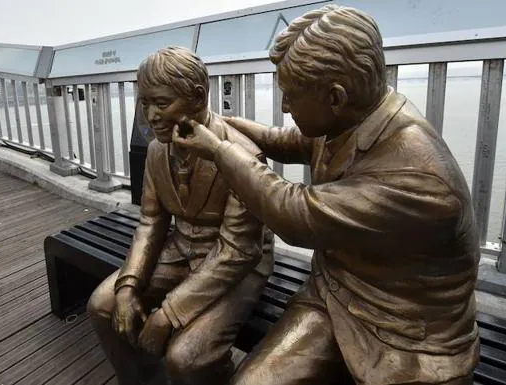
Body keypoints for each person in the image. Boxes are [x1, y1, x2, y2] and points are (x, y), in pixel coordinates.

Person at [172, 5, 479, 385]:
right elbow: (284, 141)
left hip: (409, 336)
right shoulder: (355, 116)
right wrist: (219, 126)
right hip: (334, 295)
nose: (284, 105)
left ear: (334, 97)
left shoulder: (419, 177)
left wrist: (218, 150)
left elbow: (295, 214)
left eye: (290, 96)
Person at [87, 46, 274, 385]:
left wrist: (168, 315)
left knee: (186, 357)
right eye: (145, 103)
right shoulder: (158, 150)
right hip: (180, 248)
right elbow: (150, 222)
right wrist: (128, 287)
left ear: (199, 97)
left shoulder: (242, 156)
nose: (151, 116)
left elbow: (239, 251)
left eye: (161, 103)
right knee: (103, 304)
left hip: (237, 262)